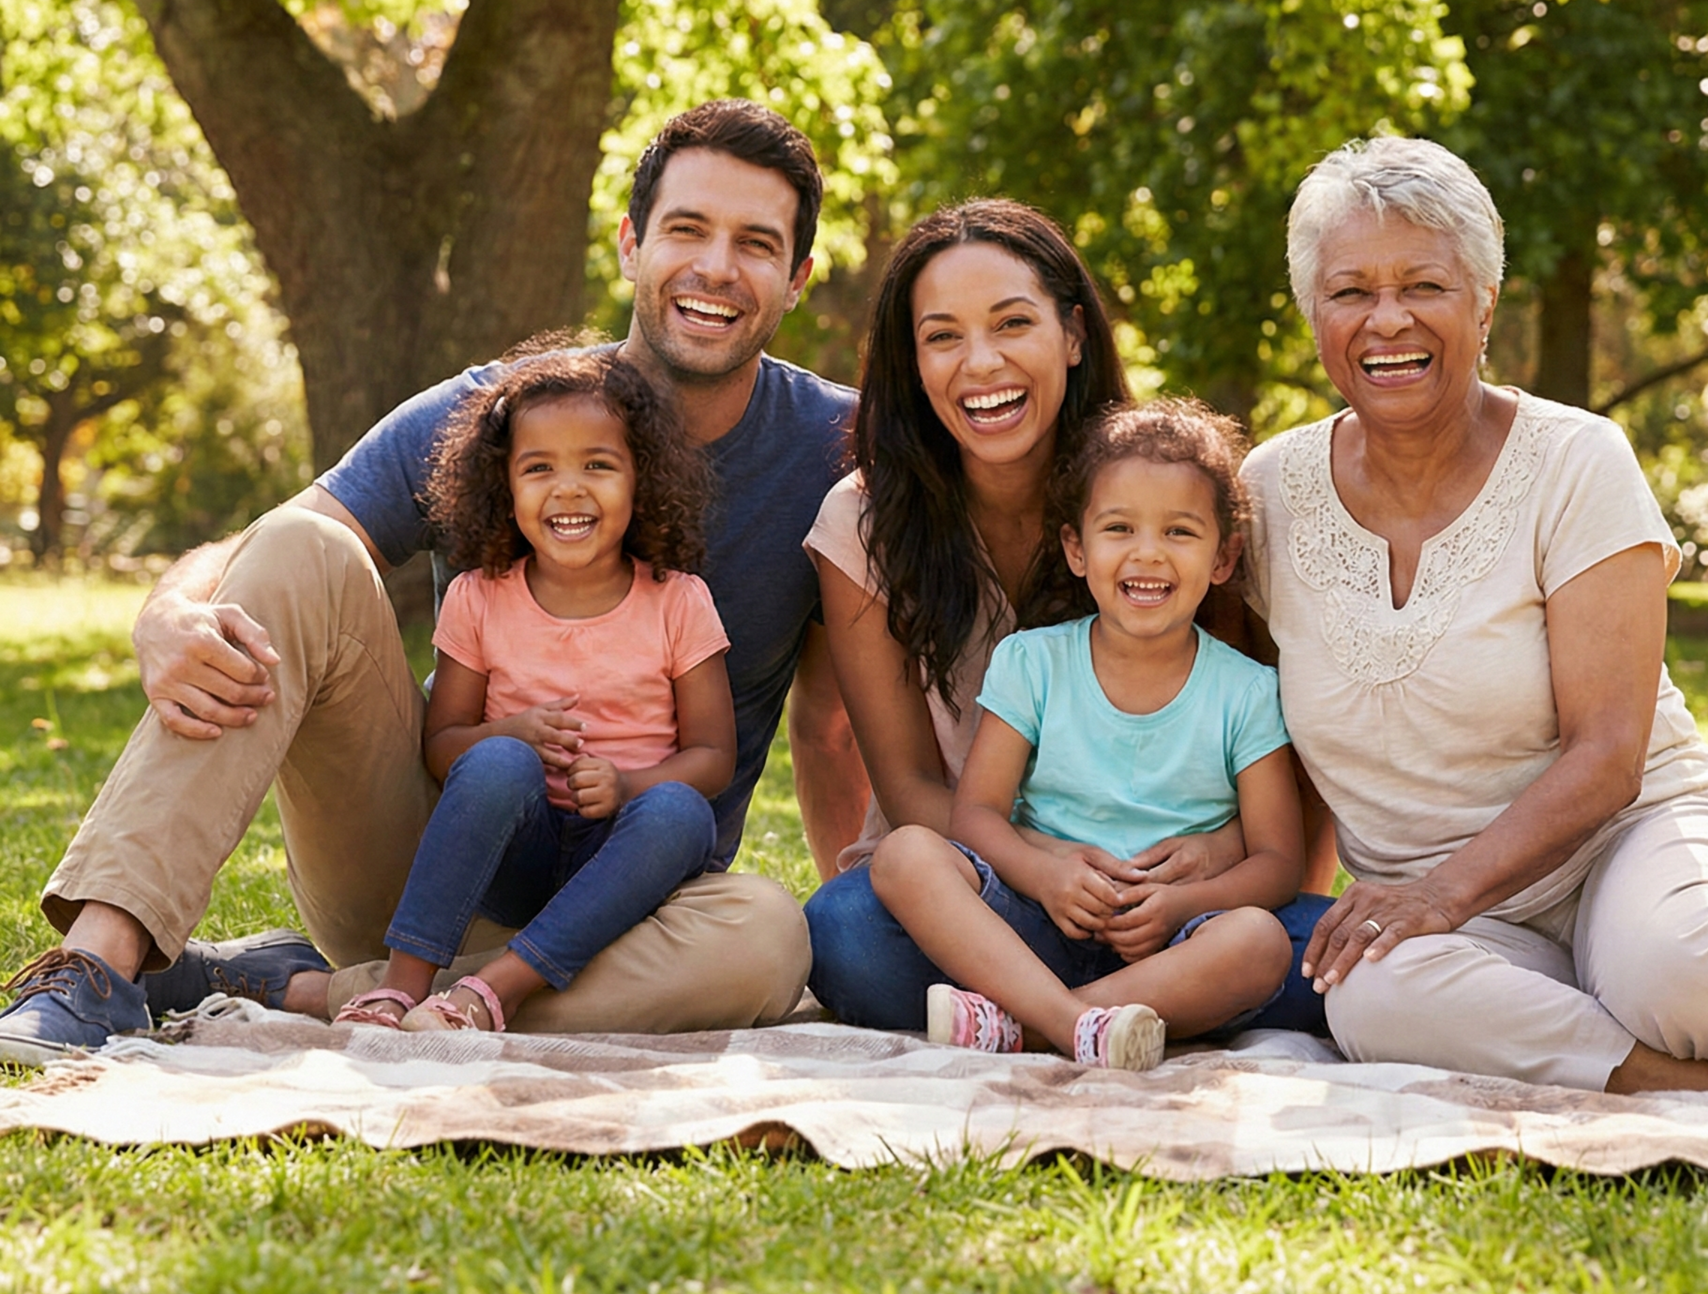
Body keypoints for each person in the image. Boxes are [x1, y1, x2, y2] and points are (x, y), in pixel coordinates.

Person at [0, 100, 863, 1064]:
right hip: (424, 860)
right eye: (688, 230)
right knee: (307, 545)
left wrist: (870, 916)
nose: (715, 268)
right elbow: (282, 541)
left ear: (797, 280)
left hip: (638, 905)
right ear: (631, 244)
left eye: (756, 243)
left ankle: (305, 991)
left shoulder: (840, 450)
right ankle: (98, 966)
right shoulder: (498, 413)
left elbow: (839, 714)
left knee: (771, 940)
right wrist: (168, 608)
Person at [1247, 134, 1708, 1093]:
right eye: (1350, 291)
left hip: (1633, 840)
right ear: (1315, 312)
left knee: (1681, 970)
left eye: (1424, 287)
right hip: (1458, 919)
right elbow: (1253, 725)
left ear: (1483, 304)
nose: (1384, 320)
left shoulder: (1576, 461)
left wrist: (1443, 894)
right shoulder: (1267, 492)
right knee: (1371, 996)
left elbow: (1609, 756)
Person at [801, 199, 1331, 1034]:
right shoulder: (865, 524)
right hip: (999, 890)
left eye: (1013, 323)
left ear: (1075, 335)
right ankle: (1090, 1017)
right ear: (912, 359)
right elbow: (907, 788)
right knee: (844, 936)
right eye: (942, 336)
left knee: (1301, 950)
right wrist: (1050, 869)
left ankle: (1041, 1018)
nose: (981, 363)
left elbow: (1265, 775)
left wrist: (1198, 872)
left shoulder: (1167, 493)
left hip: (1177, 906)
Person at [872, 400, 1326, 1071]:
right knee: (905, 855)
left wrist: (1180, 906)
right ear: (1076, 549)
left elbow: (1277, 862)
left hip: (1176, 940)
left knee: (1260, 943)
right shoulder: (1033, 662)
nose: (1148, 553)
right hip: (1035, 917)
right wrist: (1046, 875)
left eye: (1180, 531)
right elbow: (975, 814)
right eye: (1119, 528)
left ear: (1224, 557)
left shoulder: (1246, 691)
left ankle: (1026, 1024)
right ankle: (1077, 1023)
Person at [332, 354, 732, 1031]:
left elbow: (714, 757)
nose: (568, 490)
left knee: (682, 813)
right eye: (539, 468)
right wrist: (506, 735)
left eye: (598, 466)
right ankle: (399, 987)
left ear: (643, 480)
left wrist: (629, 787)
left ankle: (494, 991)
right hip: (519, 853)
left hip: (625, 857)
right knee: (493, 764)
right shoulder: (478, 598)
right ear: (503, 486)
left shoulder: (678, 601)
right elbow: (442, 748)